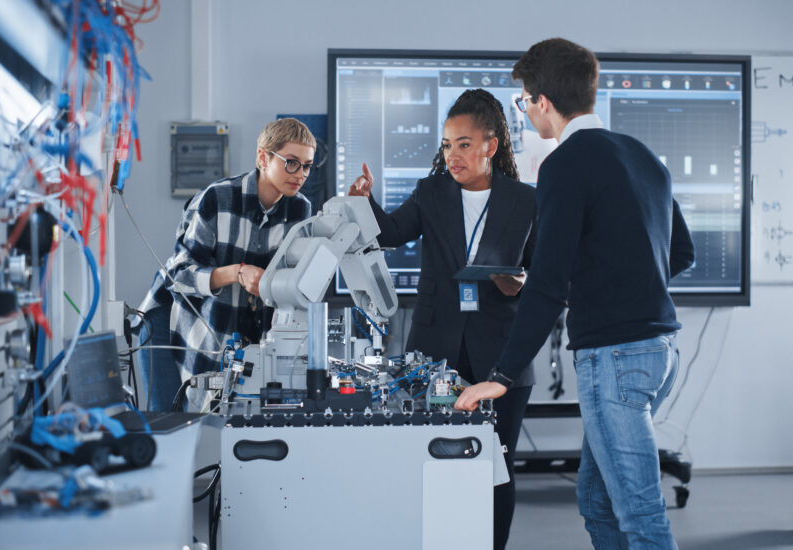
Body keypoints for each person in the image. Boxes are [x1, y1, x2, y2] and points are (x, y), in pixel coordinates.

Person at [455, 39, 695, 550]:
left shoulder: (565, 164)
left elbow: (545, 283)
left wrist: (499, 376)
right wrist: (609, 285)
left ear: (543, 101)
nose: (524, 112)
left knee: (640, 514)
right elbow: (681, 254)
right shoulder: (643, 156)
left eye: (523, 101)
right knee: (597, 500)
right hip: (660, 353)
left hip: (614, 360)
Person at [348, 89, 537, 550]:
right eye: (448, 144)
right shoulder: (431, 191)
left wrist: (521, 282)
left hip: (501, 351)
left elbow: (544, 273)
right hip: (436, 349)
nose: (453, 155)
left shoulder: (526, 200)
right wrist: (363, 201)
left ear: (491, 145)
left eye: (465, 144)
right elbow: (392, 233)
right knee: (432, 462)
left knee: (498, 468)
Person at [135, 118, 316, 410]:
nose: (301, 174)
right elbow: (177, 275)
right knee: (173, 426)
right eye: (291, 162)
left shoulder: (301, 210)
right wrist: (236, 273)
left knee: (225, 426)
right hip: (173, 322)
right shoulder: (216, 199)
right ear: (263, 157)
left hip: (233, 325)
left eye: (307, 166)